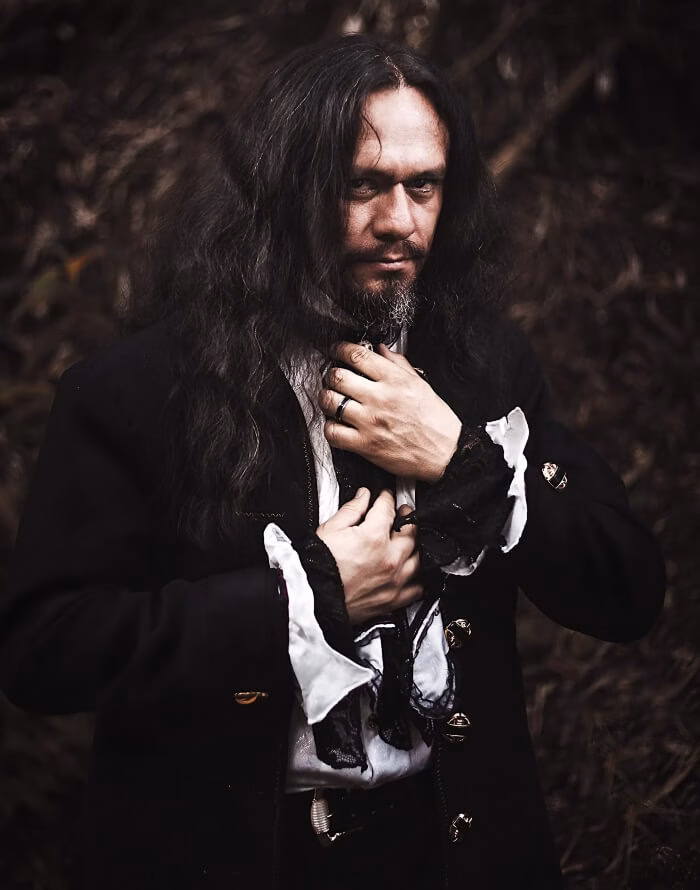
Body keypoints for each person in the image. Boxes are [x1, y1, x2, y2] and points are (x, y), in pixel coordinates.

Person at [0, 35, 665, 890]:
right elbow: (44, 652)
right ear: (288, 192)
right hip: (236, 857)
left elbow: (628, 591)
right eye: (362, 186)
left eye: (423, 186)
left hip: (447, 853)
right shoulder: (135, 393)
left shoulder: (484, 368)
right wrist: (299, 596)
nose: (399, 222)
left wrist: (464, 463)